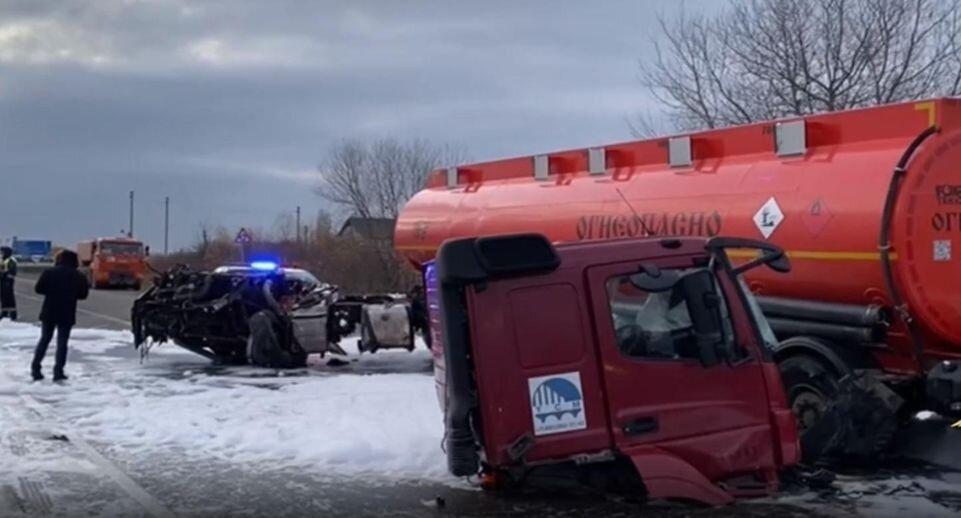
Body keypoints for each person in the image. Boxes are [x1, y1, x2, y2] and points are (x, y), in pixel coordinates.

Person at [31, 249, 89, 382]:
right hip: (67, 311)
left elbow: (38, 289)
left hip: (49, 310)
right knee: (62, 343)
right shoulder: (78, 276)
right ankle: (58, 371)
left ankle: (36, 368)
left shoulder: (49, 272)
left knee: (45, 339)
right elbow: (83, 295)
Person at [0, 246, 17, 320]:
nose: (1, 253)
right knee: (3, 297)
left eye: (2, 252)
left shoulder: (11, 260)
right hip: (2, 281)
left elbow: (12, 272)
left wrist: (4, 274)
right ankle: (4, 312)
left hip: (8, 282)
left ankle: (13, 314)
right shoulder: (2, 260)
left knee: (9, 297)